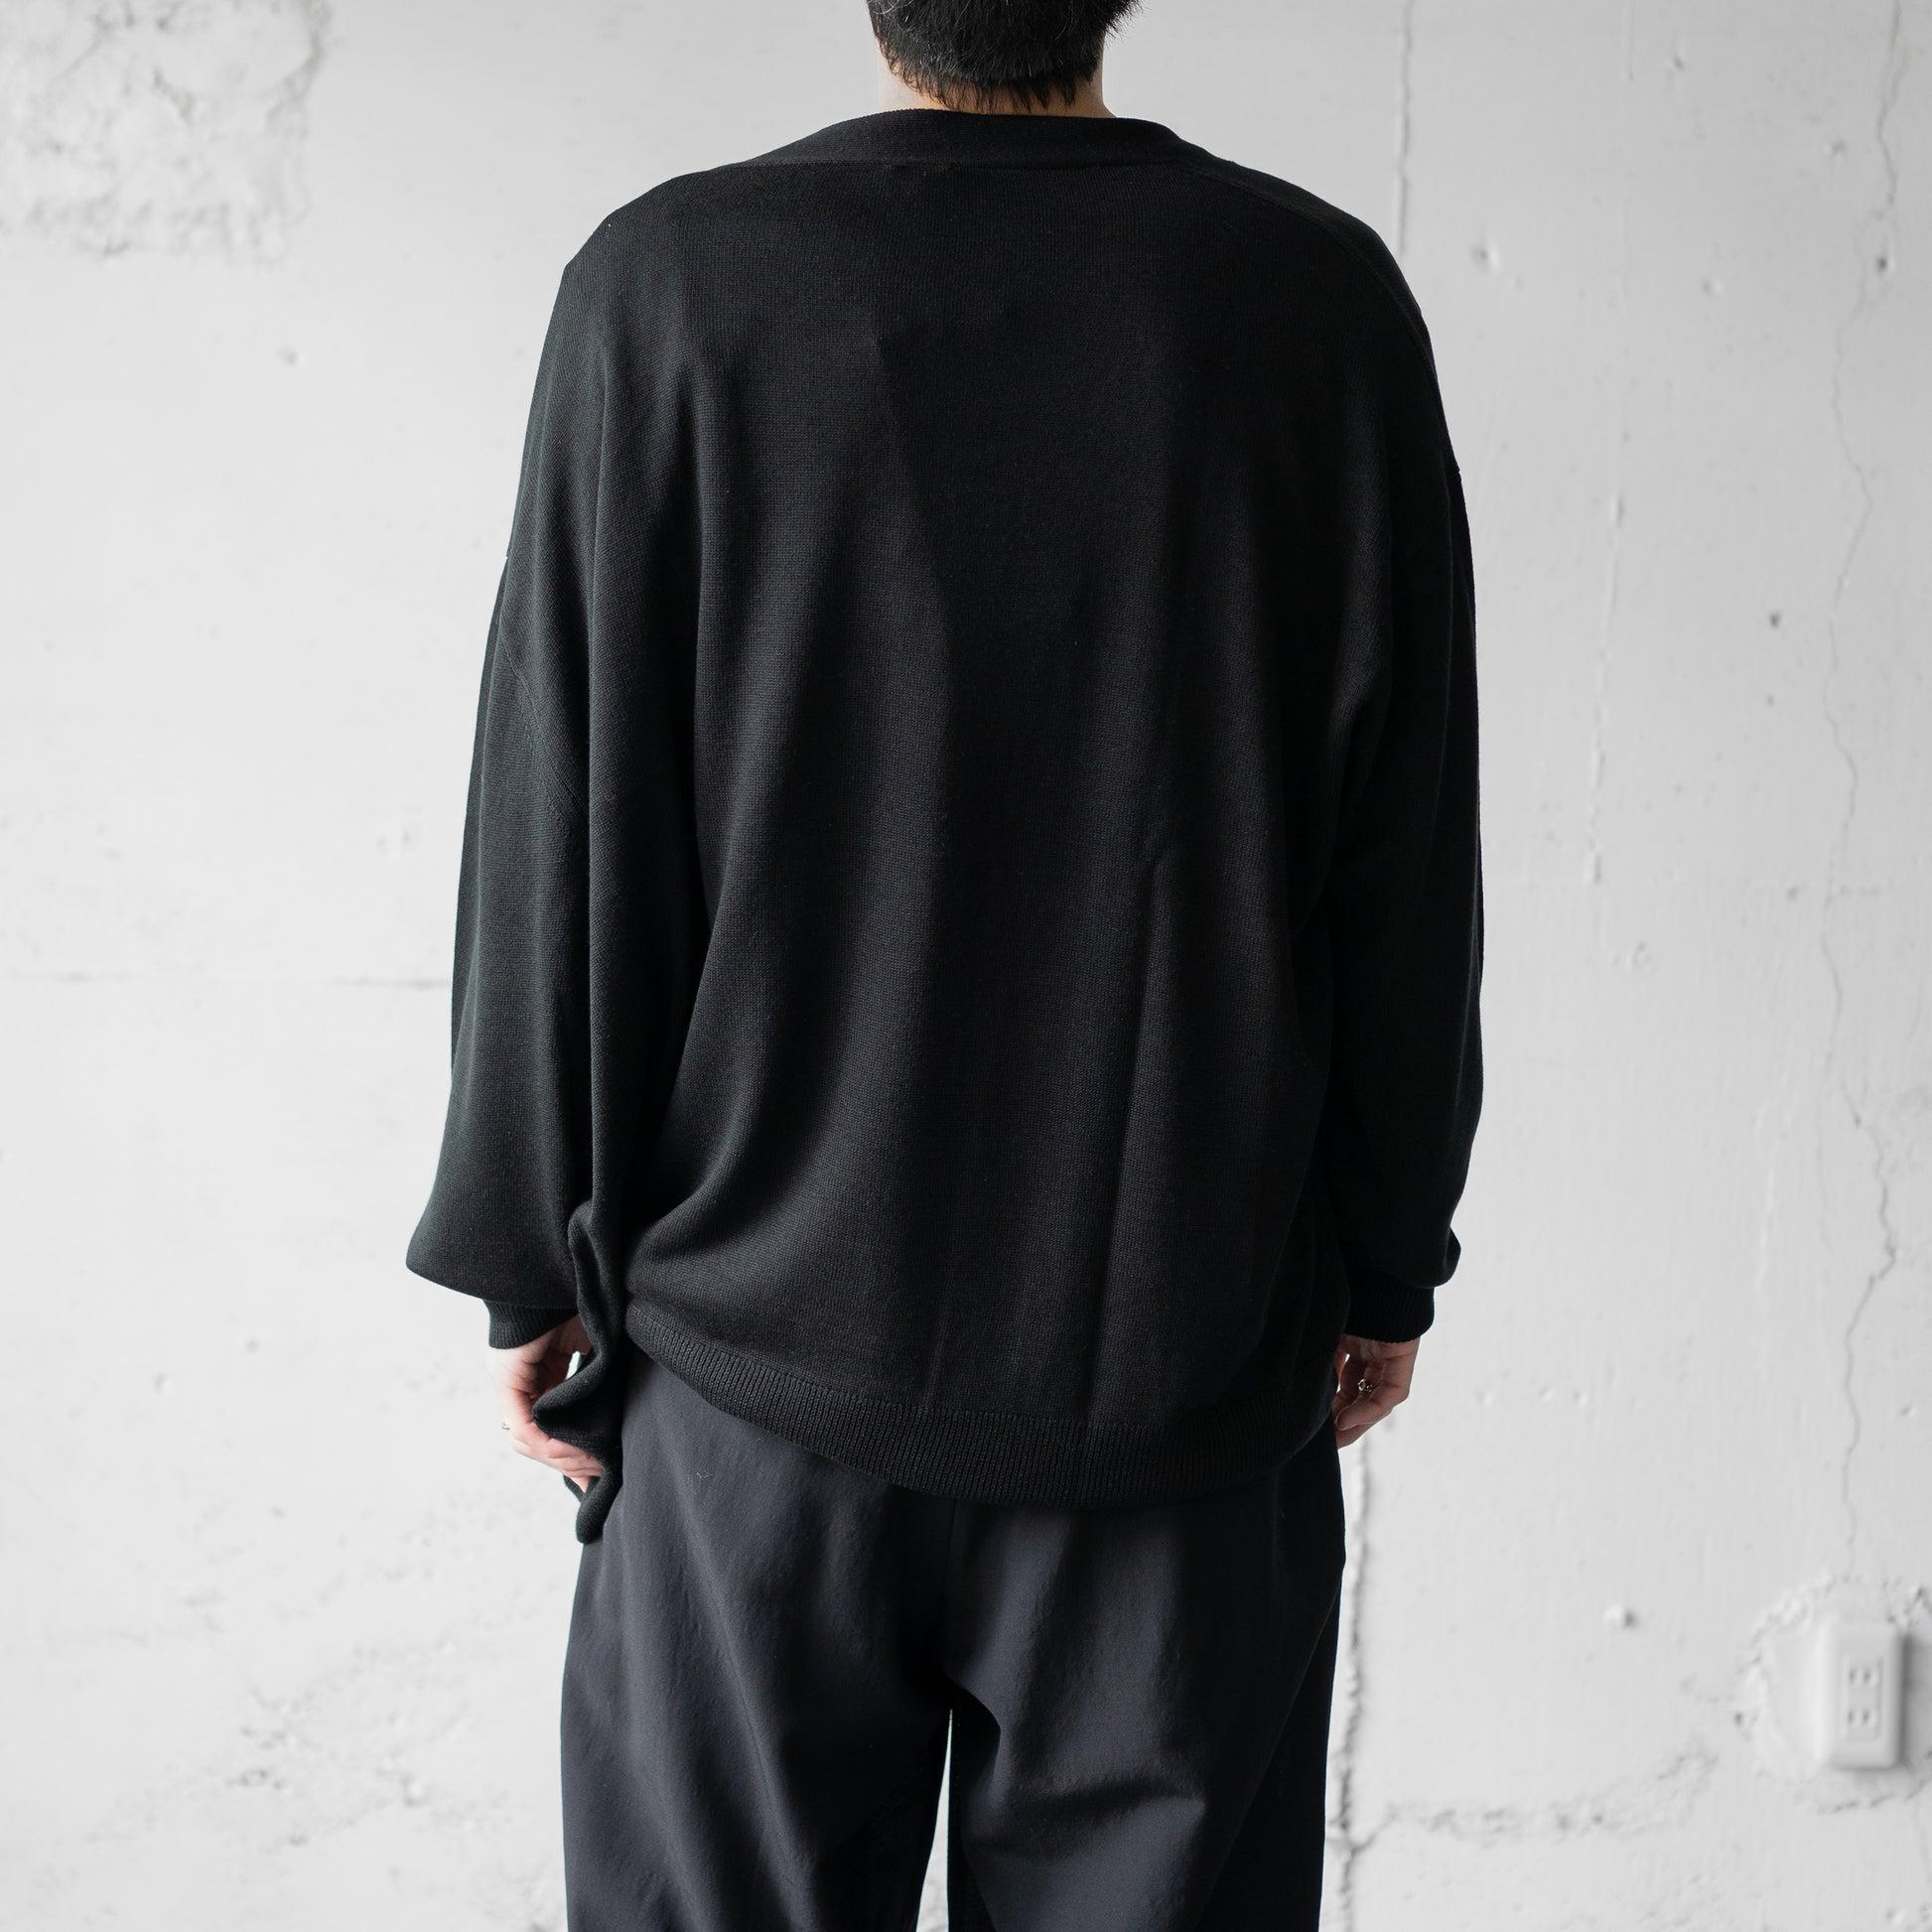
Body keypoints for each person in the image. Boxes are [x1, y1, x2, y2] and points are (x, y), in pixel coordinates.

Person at [405, 1, 1482, 1924]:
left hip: (748, 1389)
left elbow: (563, 819)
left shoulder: (670, 287)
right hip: (1179, 1364)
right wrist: (1387, 1243)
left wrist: (523, 1250)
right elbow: (1398, 845)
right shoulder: (1313, 304)